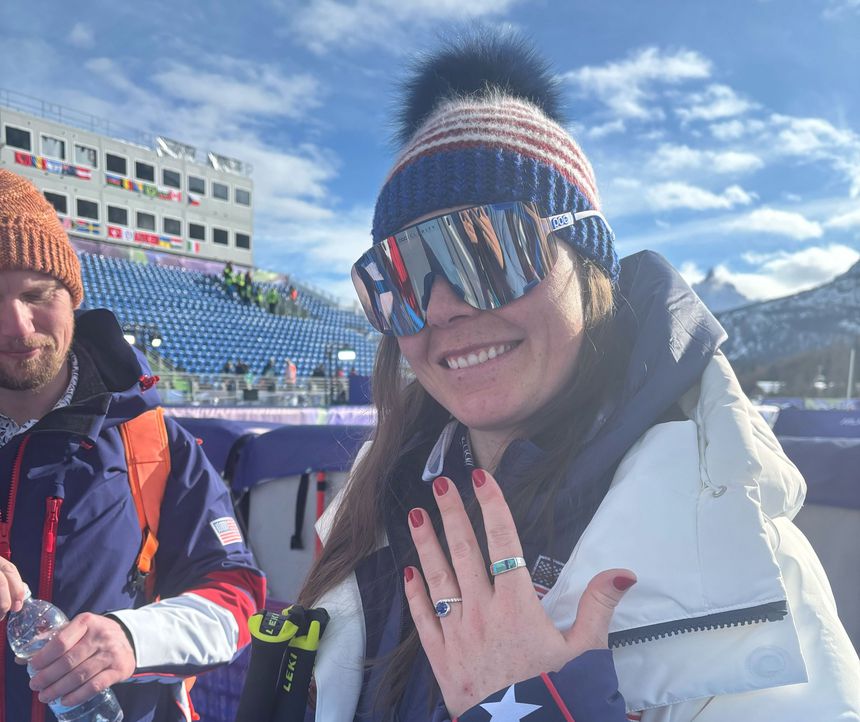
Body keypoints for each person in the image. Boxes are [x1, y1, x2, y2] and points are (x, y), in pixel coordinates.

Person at [296, 32, 860, 721]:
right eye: (399, 279)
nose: (442, 307)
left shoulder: (736, 560)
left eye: (487, 249)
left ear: (589, 268)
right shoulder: (372, 505)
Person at [0, 169, 266, 722]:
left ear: (71, 297)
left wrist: (133, 639)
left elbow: (237, 596)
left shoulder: (152, 439)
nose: (15, 325)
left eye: (36, 294)